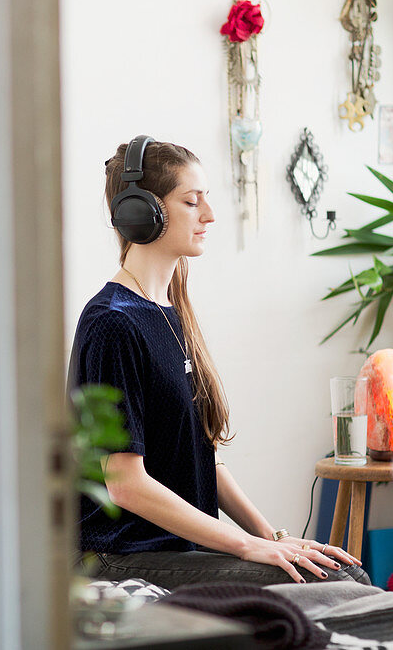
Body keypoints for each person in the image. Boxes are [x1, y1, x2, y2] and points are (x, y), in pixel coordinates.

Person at [71, 136, 369, 590]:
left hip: (177, 550)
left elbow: (199, 457)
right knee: (328, 588)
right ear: (141, 214)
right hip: (120, 557)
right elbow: (125, 483)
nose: (209, 215)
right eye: (192, 202)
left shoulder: (168, 312)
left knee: (340, 574)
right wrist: (246, 546)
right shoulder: (113, 324)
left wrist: (273, 537)